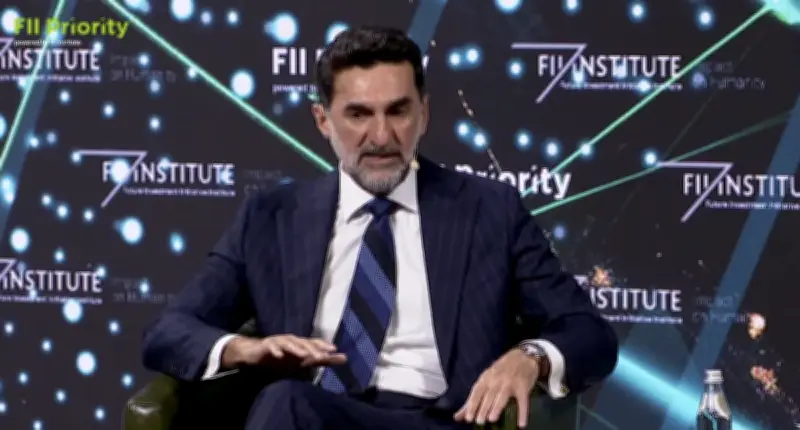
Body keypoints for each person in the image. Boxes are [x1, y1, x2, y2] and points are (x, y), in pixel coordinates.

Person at [141, 26, 618, 430]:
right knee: (285, 401)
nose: (382, 136)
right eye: (359, 114)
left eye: (398, 111)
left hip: (440, 420)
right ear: (322, 120)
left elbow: (588, 333)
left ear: (424, 114)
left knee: (286, 405)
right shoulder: (271, 217)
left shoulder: (489, 210)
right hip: (317, 413)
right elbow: (168, 332)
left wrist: (531, 357)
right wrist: (247, 350)